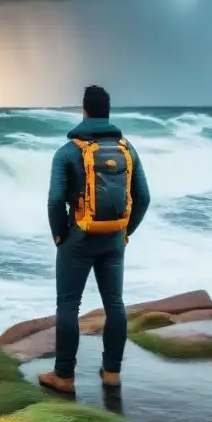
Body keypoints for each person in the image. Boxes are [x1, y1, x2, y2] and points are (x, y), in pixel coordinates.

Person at [38, 85, 151, 394]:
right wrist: (126, 231)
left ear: (84, 110)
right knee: (114, 304)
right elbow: (143, 197)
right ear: (108, 111)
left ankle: (64, 376)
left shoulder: (68, 152)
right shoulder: (127, 149)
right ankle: (112, 372)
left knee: (68, 305)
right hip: (114, 237)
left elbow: (54, 201)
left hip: (78, 236)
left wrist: (60, 234)